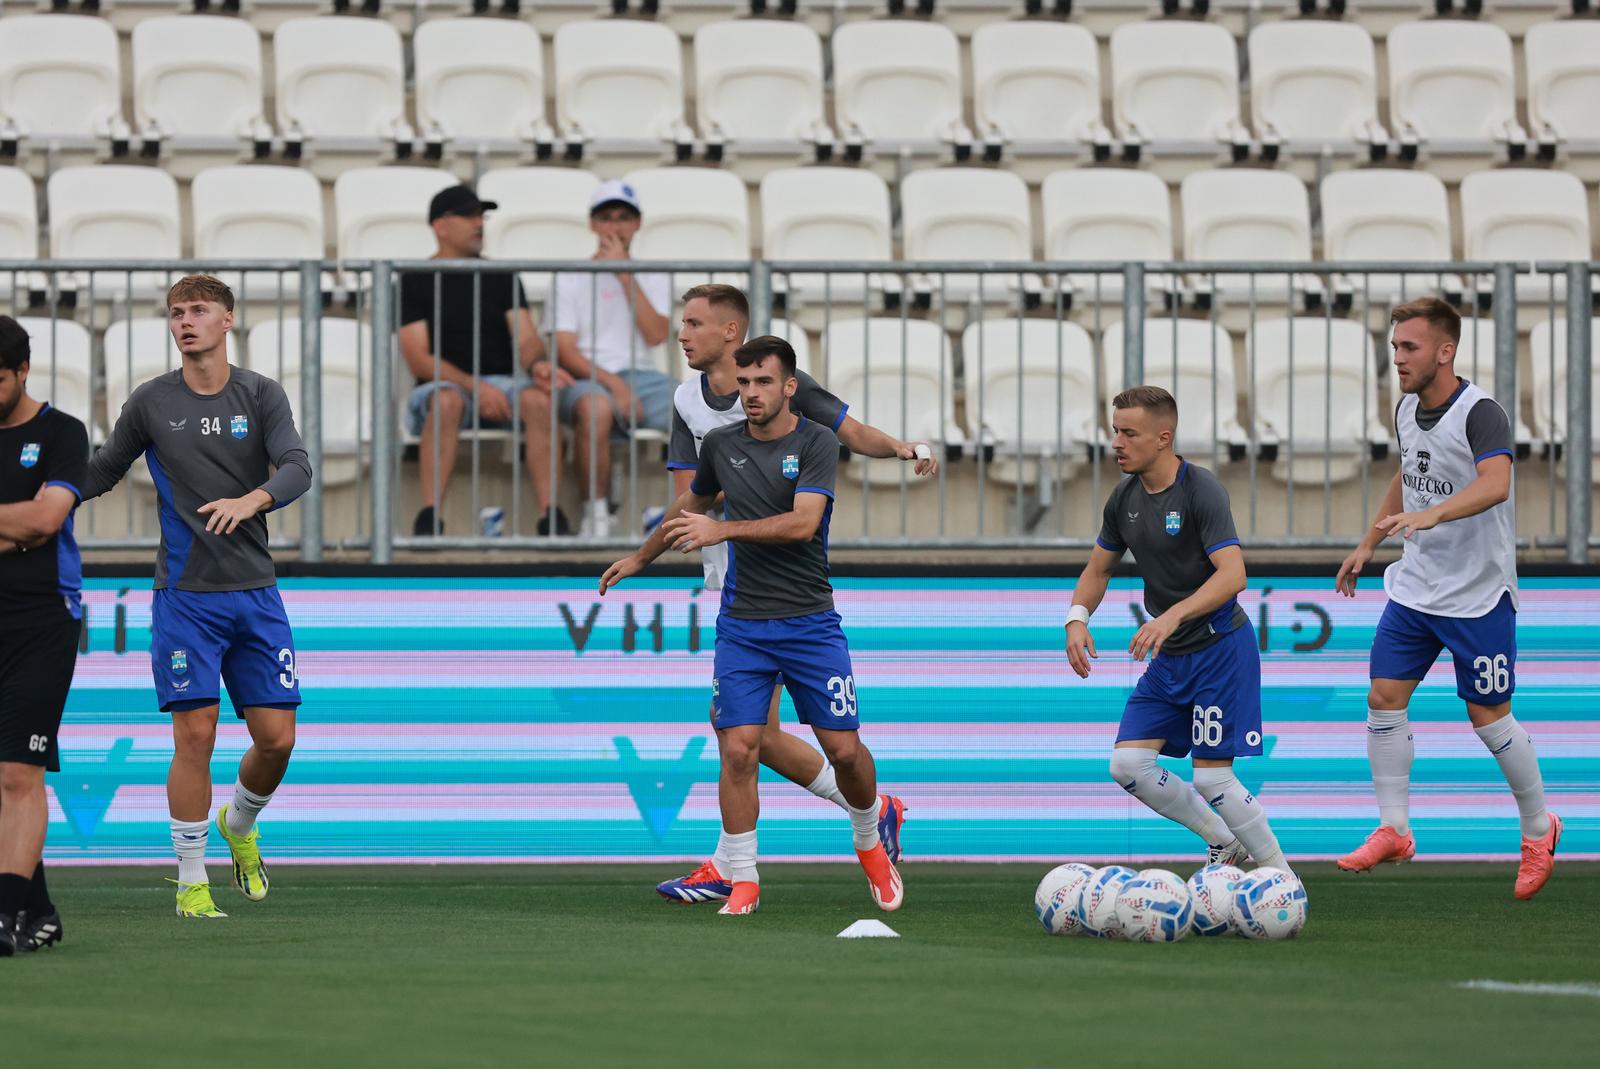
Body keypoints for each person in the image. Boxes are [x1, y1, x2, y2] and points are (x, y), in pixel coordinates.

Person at [650, 283, 935, 905]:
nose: (683, 334)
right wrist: (647, 551)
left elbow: (851, 432)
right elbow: (688, 492)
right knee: (741, 737)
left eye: (693, 323)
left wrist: (900, 447)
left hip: (782, 570)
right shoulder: (685, 401)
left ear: (730, 333)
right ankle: (746, 862)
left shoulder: (787, 388)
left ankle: (758, 853)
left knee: (752, 736)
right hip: (730, 572)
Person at [600, 336, 903, 916]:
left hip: (810, 622)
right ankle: (742, 877)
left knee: (843, 750)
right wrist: (641, 557)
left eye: (763, 383)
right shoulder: (719, 443)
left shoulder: (815, 442)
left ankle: (868, 833)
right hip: (742, 623)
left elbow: (803, 525)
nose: (752, 394)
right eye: (744, 384)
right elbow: (690, 506)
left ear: (791, 387)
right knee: (738, 748)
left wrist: (723, 532)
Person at [81, 275, 313, 919]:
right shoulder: (152, 401)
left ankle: (239, 827)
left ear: (227, 321)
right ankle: (190, 879)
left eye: (199, 311)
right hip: (185, 595)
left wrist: (252, 498)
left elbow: (297, 465)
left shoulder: (261, 393)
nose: (186, 322)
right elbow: (103, 469)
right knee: (196, 734)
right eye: (177, 313)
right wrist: (47, 500)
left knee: (277, 740)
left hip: (256, 593)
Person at [1335, 297, 1557, 898]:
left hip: (1478, 594)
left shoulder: (1481, 412)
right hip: (1415, 586)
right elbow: (1408, 474)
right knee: (1384, 695)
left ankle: (1539, 828)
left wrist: (1433, 513)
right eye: (1394, 348)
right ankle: (1395, 828)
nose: (1398, 359)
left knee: (1489, 717)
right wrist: (1369, 543)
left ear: (1445, 350)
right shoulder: (1407, 406)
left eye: (1409, 348)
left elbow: (1496, 483)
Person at [1066, 385, 1290, 873]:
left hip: (1219, 650)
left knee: (1213, 780)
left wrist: (1169, 616)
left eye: (1130, 433)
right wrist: (1077, 618)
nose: (1117, 443)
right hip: (1171, 662)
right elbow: (1098, 570)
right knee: (1127, 766)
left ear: (1163, 438)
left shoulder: (1201, 490)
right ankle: (1222, 842)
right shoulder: (1122, 497)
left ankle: (1282, 879)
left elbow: (1234, 576)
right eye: (1115, 432)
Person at [400, 184, 567, 536]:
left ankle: (551, 518)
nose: (479, 223)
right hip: (441, 387)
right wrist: (475, 386)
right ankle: (430, 517)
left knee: (539, 399)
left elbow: (526, 338)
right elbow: (419, 360)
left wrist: (538, 364)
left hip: (500, 385)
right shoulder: (414, 278)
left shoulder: (500, 275)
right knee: (445, 401)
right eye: (468, 215)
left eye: (481, 215)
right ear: (440, 226)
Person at [0, 316, 87, 955]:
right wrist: (17, 524)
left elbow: (47, 519)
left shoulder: (63, 433)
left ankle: (3, 918)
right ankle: (41, 911)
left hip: (41, 619)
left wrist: (28, 525)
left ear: (23, 371)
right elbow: (23, 522)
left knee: (16, 773)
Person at [550, 180, 678, 537]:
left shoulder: (652, 273)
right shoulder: (569, 276)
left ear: (637, 224)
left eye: (624, 217)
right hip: (586, 377)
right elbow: (565, 350)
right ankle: (596, 514)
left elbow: (655, 334)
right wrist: (614, 383)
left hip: (645, 377)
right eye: (606, 217)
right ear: (592, 224)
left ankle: (701, 512)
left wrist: (624, 273)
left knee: (698, 407)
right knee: (595, 408)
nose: (615, 226)